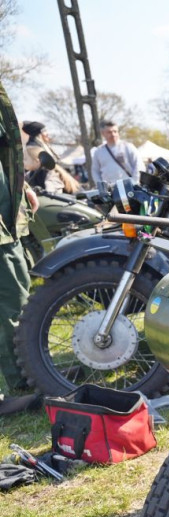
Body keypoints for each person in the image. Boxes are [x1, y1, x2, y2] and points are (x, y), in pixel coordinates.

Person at [1, 80, 40, 413]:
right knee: (12, 297)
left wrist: (20, 183)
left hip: (6, 214)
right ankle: (21, 378)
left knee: (17, 295)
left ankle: (25, 372)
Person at [90, 120, 140, 186]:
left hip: (129, 187)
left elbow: (138, 165)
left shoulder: (128, 147)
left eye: (115, 131)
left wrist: (134, 182)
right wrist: (101, 187)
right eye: (109, 132)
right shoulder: (98, 152)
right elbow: (95, 171)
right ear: (103, 134)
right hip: (110, 190)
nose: (113, 134)